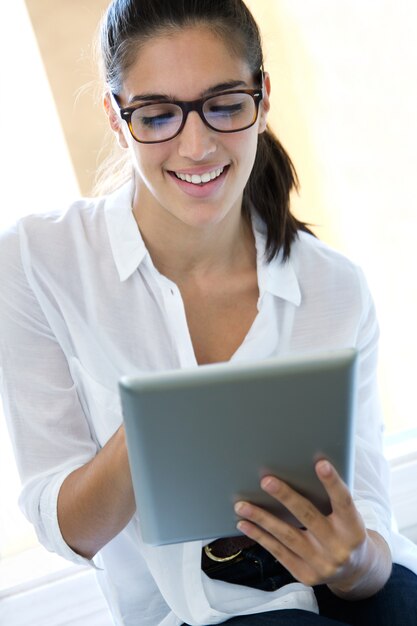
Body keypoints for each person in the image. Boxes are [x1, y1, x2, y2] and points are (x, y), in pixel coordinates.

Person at [0, 1, 416, 624]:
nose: (197, 146)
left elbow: (372, 522)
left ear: (262, 98)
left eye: (224, 105)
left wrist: (353, 563)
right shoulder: (39, 261)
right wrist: (154, 428)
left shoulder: (333, 286)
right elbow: (70, 533)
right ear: (117, 118)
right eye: (159, 114)